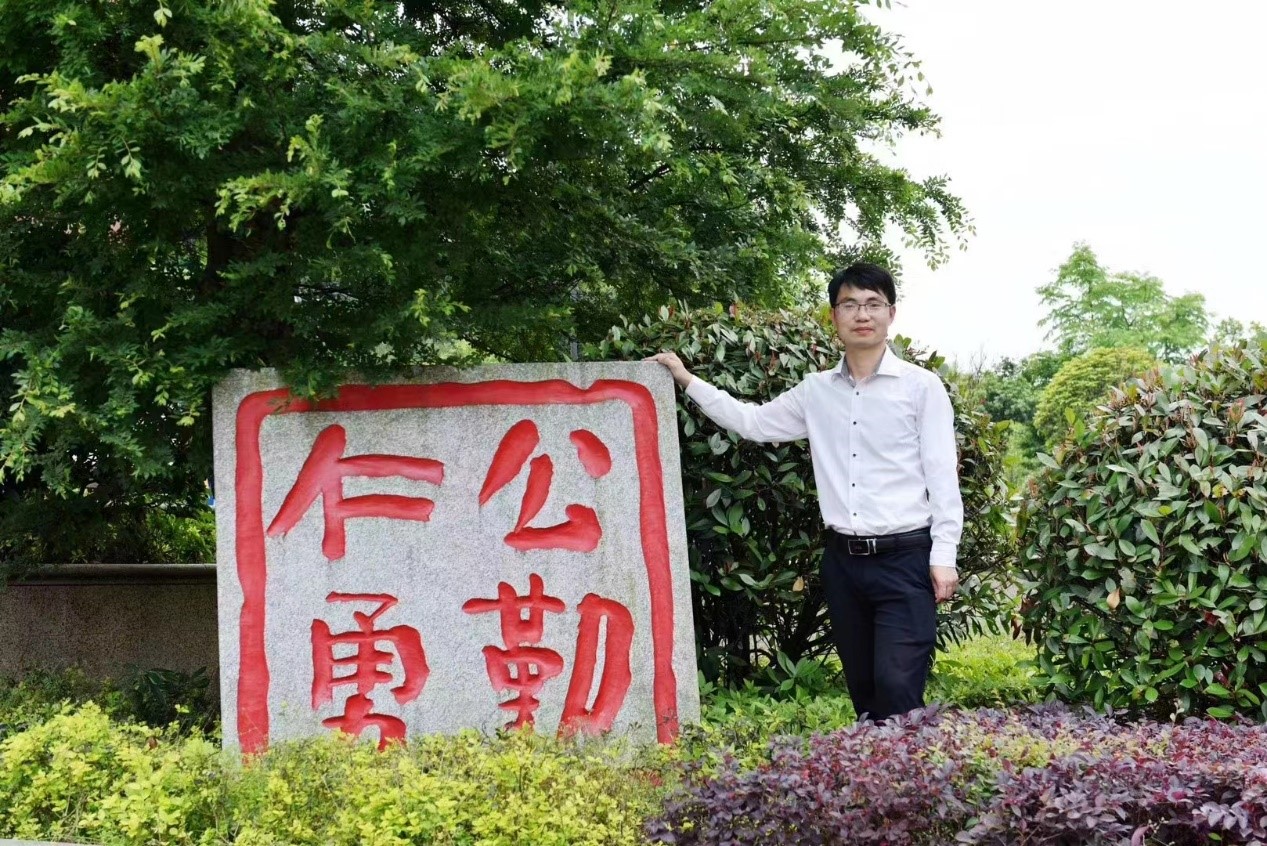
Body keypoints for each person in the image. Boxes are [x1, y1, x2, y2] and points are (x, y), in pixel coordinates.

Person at [647, 262, 963, 721]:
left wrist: (944, 554)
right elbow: (753, 423)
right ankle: (874, 765)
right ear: (834, 316)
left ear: (891, 314)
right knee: (864, 690)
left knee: (898, 686)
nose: (862, 314)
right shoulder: (816, 391)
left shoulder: (921, 387)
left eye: (873, 304)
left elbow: (941, 473)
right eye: (850, 304)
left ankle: (904, 763)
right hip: (844, 563)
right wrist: (686, 379)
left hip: (905, 558)